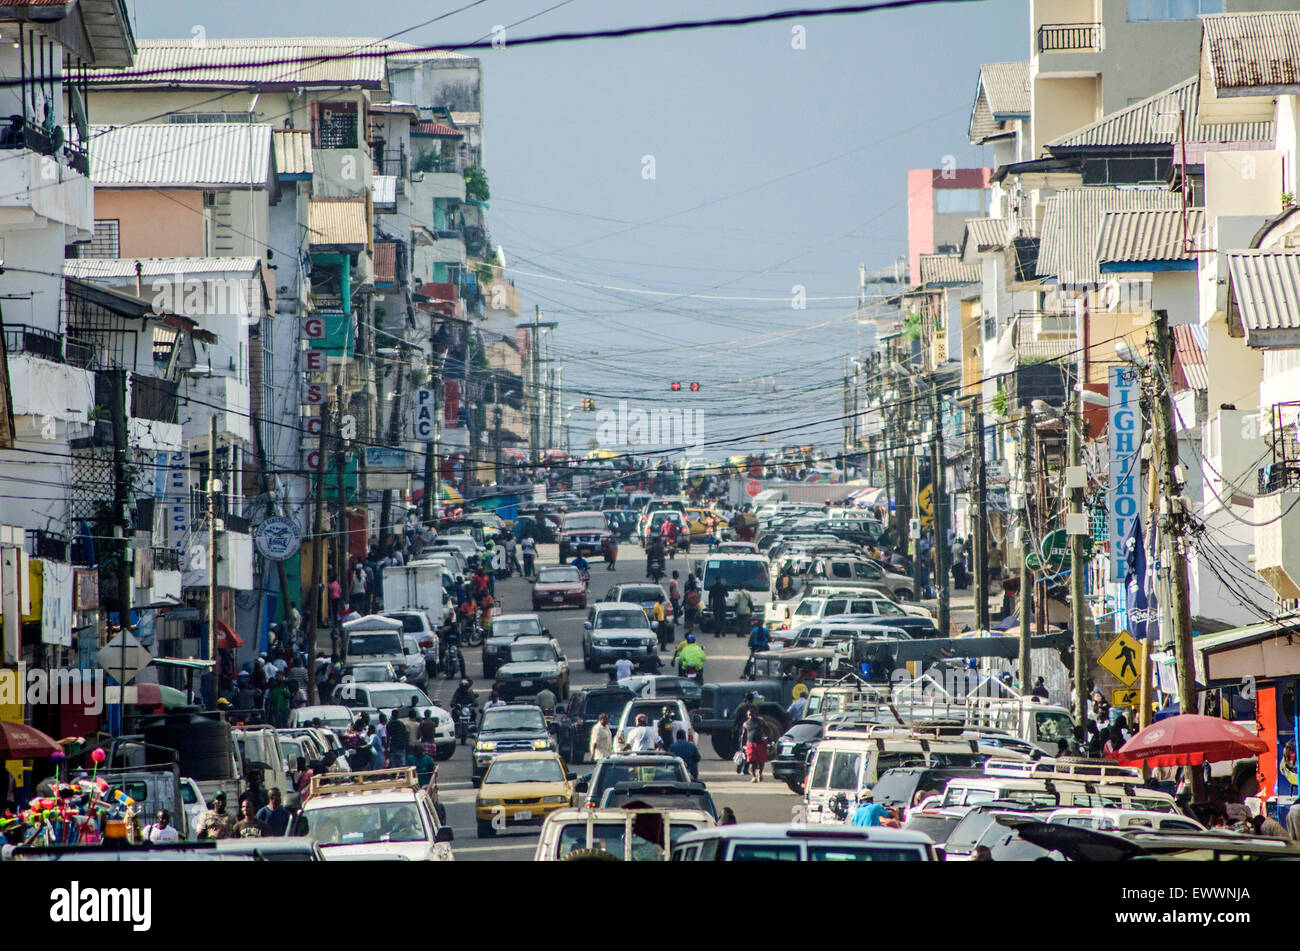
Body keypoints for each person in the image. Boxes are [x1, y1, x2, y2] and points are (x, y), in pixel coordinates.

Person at [741, 708, 768, 783]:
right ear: (747, 716)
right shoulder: (745, 724)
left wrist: (769, 739)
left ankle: (760, 773)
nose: (751, 716)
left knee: (761, 762)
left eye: (752, 714)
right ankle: (754, 776)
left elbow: (767, 729)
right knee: (752, 762)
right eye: (749, 715)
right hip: (750, 744)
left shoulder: (760, 721)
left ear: (755, 714)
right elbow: (743, 735)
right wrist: (742, 746)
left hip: (760, 744)